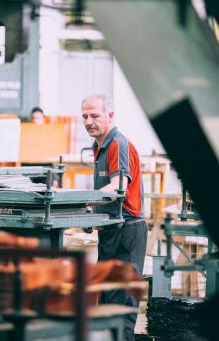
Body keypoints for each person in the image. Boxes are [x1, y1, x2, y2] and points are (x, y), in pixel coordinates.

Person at [82, 94, 147, 341]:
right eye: (85, 116)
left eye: (95, 116)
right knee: (107, 298)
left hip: (128, 231)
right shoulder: (99, 146)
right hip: (111, 229)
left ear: (110, 116)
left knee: (122, 302)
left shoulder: (118, 144)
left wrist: (82, 201)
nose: (89, 121)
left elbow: (118, 187)